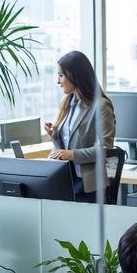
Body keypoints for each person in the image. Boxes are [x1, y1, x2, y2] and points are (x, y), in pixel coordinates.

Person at [44, 50, 115, 203]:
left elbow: (105, 149)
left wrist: (72, 154)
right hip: (66, 180)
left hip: (88, 186)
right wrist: (54, 136)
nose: (58, 81)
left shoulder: (101, 106)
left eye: (61, 75)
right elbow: (65, 147)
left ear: (74, 75)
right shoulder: (68, 103)